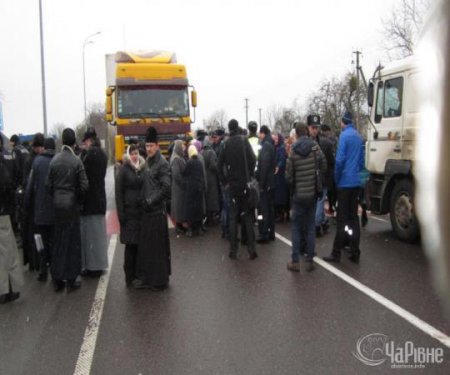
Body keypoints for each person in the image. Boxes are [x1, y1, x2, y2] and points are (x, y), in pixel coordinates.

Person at [46, 128, 89, 292]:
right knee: (73, 243)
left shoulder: (54, 160)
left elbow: (47, 185)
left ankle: (57, 279)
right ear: (73, 142)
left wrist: (57, 196)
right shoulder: (76, 161)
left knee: (58, 242)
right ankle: (72, 279)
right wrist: (77, 198)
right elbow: (85, 186)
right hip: (71, 207)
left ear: (62, 141)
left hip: (57, 206)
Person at [323, 111, 364, 264]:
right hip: (355, 182)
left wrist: (337, 178)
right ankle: (355, 251)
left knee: (341, 220)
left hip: (345, 183)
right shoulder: (358, 137)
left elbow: (339, 161)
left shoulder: (344, 137)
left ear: (343, 122)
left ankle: (336, 253)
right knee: (353, 218)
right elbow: (361, 161)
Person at [133, 127, 171, 290]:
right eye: (146, 146)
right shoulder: (147, 161)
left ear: (157, 145)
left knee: (157, 250)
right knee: (147, 249)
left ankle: (159, 281)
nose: (148, 149)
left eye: (151, 146)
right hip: (147, 212)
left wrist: (150, 201)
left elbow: (166, 188)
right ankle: (148, 279)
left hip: (156, 213)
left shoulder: (162, 164)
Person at [286, 122, 327, 272]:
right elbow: (324, 165)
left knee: (296, 227)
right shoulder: (315, 148)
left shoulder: (293, 151)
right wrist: (315, 176)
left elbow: (288, 176)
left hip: (298, 194)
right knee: (310, 226)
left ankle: (295, 261)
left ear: (296, 134)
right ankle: (310, 260)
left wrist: (294, 185)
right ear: (307, 132)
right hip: (311, 193)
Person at [217, 119, 258, 260]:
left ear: (229, 129)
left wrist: (225, 181)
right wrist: (250, 173)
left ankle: (233, 250)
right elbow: (253, 159)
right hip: (245, 184)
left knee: (233, 218)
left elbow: (218, 165)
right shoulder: (243, 140)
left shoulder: (225, 144)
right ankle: (251, 249)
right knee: (247, 216)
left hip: (232, 186)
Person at [24, 137, 56, 282]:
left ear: (43, 147)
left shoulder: (36, 162)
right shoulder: (57, 161)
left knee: (42, 242)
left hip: (40, 211)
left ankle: (43, 271)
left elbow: (30, 187)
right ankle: (56, 274)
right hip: (56, 210)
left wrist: (26, 206)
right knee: (55, 242)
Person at [115, 144, 145, 287]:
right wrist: (121, 214)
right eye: (132, 153)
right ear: (128, 154)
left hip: (140, 213)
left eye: (136, 153)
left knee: (139, 245)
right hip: (128, 214)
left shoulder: (142, 168)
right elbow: (118, 193)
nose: (134, 155)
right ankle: (129, 277)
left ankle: (137, 275)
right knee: (130, 246)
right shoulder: (123, 170)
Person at [80, 128, 108, 277]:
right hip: (100, 198)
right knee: (99, 235)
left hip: (90, 201)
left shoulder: (89, 155)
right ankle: (100, 264)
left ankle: (92, 266)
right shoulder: (102, 154)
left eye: (84, 142)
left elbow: (84, 178)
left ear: (88, 141)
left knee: (90, 236)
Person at [0, 138, 24, 303]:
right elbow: (9, 183)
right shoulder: (6, 158)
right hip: (4, 211)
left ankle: (4, 290)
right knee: (7, 252)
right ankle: (8, 289)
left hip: (2, 210)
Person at [307, 115, 335, 236]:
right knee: (317, 203)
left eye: (317, 127)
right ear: (308, 127)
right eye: (313, 127)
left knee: (319, 202)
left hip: (321, 179)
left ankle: (317, 225)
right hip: (309, 179)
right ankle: (322, 222)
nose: (315, 130)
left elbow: (330, 162)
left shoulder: (325, 143)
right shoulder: (304, 142)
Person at [256, 125, 276, 243]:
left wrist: (261, 184)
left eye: (260, 133)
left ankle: (264, 233)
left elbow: (264, 165)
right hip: (270, 182)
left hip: (266, 183)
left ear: (263, 133)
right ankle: (270, 232)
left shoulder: (266, 145)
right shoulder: (269, 144)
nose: (259, 136)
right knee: (269, 209)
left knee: (264, 210)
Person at [183, 145, 206, 237]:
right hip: (199, 187)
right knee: (198, 208)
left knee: (190, 208)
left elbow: (184, 172)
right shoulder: (199, 162)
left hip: (191, 187)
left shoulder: (189, 162)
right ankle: (199, 228)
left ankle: (190, 230)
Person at [169, 139, 187, 234]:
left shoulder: (177, 157)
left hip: (178, 186)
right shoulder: (176, 159)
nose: (184, 148)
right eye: (182, 146)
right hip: (178, 187)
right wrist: (183, 183)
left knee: (179, 206)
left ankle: (179, 225)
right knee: (178, 206)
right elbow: (176, 175)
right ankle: (179, 226)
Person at [202, 140, 220, 226]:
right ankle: (212, 218)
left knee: (207, 198)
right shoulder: (211, 152)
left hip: (204, 177)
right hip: (212, 178)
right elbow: (213, 165)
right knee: (213, 198)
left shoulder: (201, 152)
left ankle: (207, 217)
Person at [272, 131, 289, 223]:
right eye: (274, 139)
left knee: (280, 196)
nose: (275, 140)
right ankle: (279, 214)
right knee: (277, 196)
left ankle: (281, 214)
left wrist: (278, 166)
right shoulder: (274, 148)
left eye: (277, 139)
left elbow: (282, 160)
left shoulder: (281, 148)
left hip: (280, 175)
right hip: (276, 175)